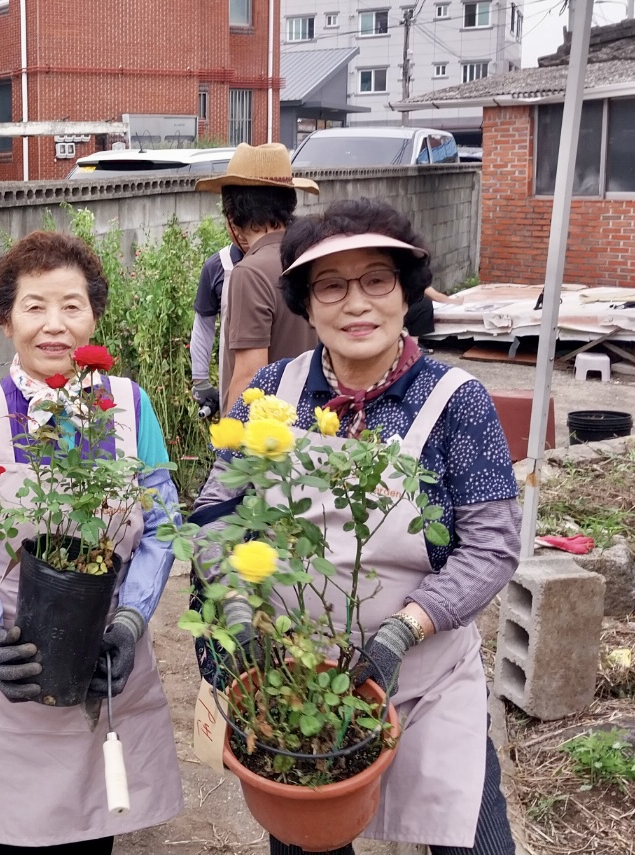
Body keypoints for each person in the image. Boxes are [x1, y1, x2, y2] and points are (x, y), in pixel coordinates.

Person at [193, 198, 520, 855]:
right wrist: (232, 610)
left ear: (405, 294)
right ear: (306, 306)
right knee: (306, 838)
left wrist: (406, 626)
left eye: (377, 279)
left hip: (425, 681)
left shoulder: (455, 401)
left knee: (475, 841)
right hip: (300, 677)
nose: (357, 303)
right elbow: (215, 515)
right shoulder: (272, 395)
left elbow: (492, 544)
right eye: (331, 285)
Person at [0, 231, 184, 854]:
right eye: (34, 306)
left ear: (94, 315)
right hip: (18, 667)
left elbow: (160, 525)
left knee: (99, 834)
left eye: (72, 305)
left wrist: (129, 620)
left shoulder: (129, 405)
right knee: (22, 841)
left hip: (107, 663)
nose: (54, 326)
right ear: (4, 319)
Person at [195, 143, 320, 415]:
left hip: (267, 439)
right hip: (317, 424)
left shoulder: (250, 273)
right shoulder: (314, 258)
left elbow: (249, 377)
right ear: (289, 204)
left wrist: (229, 449)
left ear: (232, 216)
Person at [189, 234, 246, 418]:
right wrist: (201, 381)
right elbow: (203, 326)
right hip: (234, 380)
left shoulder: (290, 259)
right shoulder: (218, 266)